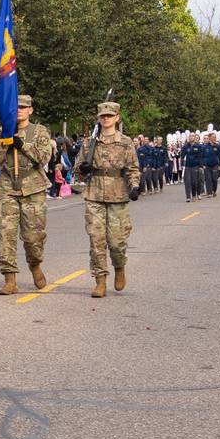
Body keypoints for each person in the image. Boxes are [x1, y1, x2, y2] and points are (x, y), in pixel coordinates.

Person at [0, 94, 54, 294]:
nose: (19, 110)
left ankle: (35, 265)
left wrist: (22, 145)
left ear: (30, 110)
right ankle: (9, 278)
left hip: (33, 187)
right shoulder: (2, 131)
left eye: (23, 107)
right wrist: (6, 140)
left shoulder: (39, 131)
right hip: (7, 186)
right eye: (16, 107)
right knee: (6, 233)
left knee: (34, 237)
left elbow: (43, 158)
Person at [80, 101, 141, 298]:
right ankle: (100, 281)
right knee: (96, 241)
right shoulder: (89, 143)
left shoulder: (125, 142)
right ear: (99, 118)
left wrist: (134, 186)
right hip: (95, 195)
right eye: (103, 116)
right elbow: (78, 171)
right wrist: (83, 170)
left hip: (118, 195)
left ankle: (119, 266)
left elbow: (132, 168)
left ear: (117, 118)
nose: (106, 118)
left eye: (110, 115)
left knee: (116, 243)